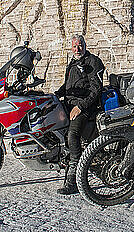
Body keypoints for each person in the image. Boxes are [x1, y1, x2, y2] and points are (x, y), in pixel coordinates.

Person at [54, 34, 105, 195]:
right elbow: (68, 85)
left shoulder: (93, 61)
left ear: (85, 44)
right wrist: (54, 95)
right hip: (69, 104)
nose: (77, 49)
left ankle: (73, 178)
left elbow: (96, 88)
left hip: (85, 106)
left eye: (80, 45)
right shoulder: (73, 62)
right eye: (74, 46)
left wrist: (80, 107)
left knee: (72, 135)